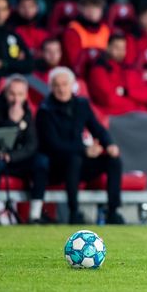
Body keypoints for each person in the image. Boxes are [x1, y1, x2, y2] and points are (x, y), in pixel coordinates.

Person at [36, 67, 124, 224]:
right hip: (56, 167)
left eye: (64, 84)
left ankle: (113, 211)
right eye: (57, 85)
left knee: (113, 161)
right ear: (51, 88)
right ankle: (74, 211)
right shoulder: (45, 110)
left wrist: (109, 144)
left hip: (81, 161)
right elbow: (53, 145)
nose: (61, 89)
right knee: (74, 159)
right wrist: (85, 150)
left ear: (72, 85)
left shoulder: (82, 104)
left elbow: (97, 128)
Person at [0, 74, 47, 223]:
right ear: (5, 92)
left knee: (41, 162)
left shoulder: (28, 112)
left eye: (20, 94)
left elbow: (32, 145)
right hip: (0, 159)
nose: (16, 99)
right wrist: (12, 122)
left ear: (26, 95)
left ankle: (35, 213)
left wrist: (12, 157)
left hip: (18, 159)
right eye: (12, 94)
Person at [62, 0, 110, 74]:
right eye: (88, 8)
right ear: (81, 9)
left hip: (101, 71)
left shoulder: (106, 29)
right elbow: (74, 62)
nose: (92, 12)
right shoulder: (73, 30)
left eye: (96, 8)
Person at [0, 0, 34, 79]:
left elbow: (29, 65)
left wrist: (3, 63)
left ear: (8, 11)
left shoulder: (13, 35)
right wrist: (14, 63)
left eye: (3, 9)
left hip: (11, 84)